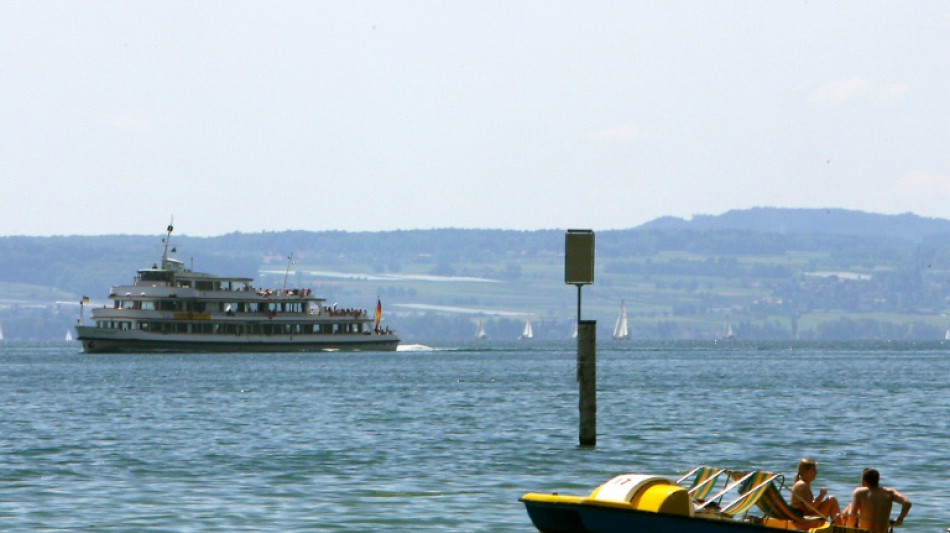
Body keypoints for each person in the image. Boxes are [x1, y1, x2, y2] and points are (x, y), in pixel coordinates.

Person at [843, 468, 911, 532]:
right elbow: (907, 503)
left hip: (866, 531)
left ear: (864, 481)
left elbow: (852, 516)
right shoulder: (889, 492)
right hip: (882, 531)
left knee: (849, 508)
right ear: (877, 480)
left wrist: (849, 530)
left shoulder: (860, 492)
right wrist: (900, 519)